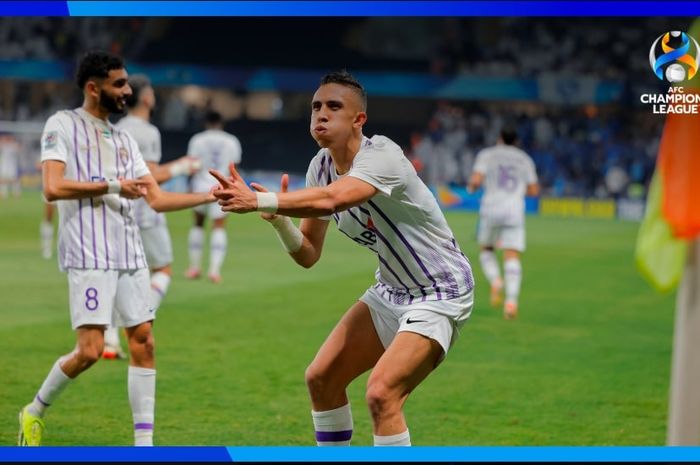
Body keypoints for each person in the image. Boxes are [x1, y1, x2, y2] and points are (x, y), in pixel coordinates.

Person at [210, 71, 474, 446]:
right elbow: (308, 254)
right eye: (316, 106)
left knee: (382, 394)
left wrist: (259, 200)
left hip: (440, 290)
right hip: (392, 290)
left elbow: (336, 199)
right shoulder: (320, 167)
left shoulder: (383, 155)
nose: (321, 114)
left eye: (334, 106)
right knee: (322, 378)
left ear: (358, 119)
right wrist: (280, 223)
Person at [18, 51, 215, 447]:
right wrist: (112, 186)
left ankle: (145, 445)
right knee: (89, 351)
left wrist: (211, 196)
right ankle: (34, 410)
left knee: (143, 339)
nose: (128, 91)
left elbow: (156, 199)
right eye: (119, 84)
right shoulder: (63, 125)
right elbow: (53, 188)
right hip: (88, 253)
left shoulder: (125, 139)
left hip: (129, 253)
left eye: (127, 84)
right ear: (94, 88)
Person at [101, 74, 201, 360]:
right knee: (164, 270)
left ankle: (109, 340)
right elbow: (150, 178)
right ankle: (138, 321)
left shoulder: (115, 129)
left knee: (118, 273)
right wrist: (182, 167)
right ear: (145, 98)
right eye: (152, 93)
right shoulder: (148, 132)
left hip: (117, 210)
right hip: (146, 211)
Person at [467, 124, 539, 320]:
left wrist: (472, 186)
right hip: (514, 210)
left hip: (491, 209)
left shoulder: (487, 154)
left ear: (499, 138)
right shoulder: (525, 159)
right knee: (512, 255)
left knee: (487, 249)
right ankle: (511, 302)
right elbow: (533, 191)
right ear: (516, 141)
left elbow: (475, 181)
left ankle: (496, 280)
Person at [185, 110, 242, 283]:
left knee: (198, 224)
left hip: (200, 188)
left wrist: (189, 185)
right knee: (219, 227)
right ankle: (214, 271)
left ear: (206, 122)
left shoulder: (197, 139)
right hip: (221, 188)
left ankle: (194, 268)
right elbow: (234, 168)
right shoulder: (231, 141)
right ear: (221, 123)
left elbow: (192, 166)